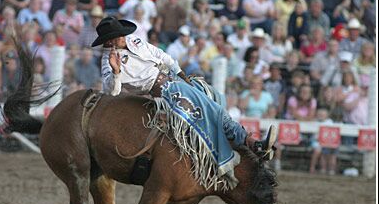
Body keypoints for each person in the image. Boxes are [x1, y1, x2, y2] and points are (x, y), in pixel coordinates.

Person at [91, 16, 277, 160]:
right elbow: (111, 92)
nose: (122, 38)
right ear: (109, 41)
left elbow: (162, 55)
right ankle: (251, 143)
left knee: (211, 94)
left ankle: (240, 145)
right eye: (117, 37)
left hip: (172, 80)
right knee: (207, 106)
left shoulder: (134, 41)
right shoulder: (108, 62)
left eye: (121, 34)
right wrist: (116, 72)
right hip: (160, 91)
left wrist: (182, 75)